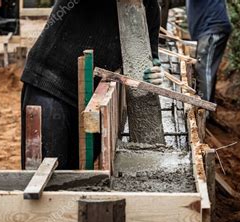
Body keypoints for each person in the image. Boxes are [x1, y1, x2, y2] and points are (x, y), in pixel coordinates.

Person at [20, 0, 163, 169]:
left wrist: (152, 71)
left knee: (75, 176)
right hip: (50, 84)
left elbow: (150, 55)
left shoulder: (149, 7)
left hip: (93, 99)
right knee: (47, 170)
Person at [186, 0, 232, 103]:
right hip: (212, 27)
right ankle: (209, 108)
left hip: (212, 29)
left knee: (203, 68)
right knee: (208, 68)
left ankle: (204, 108)